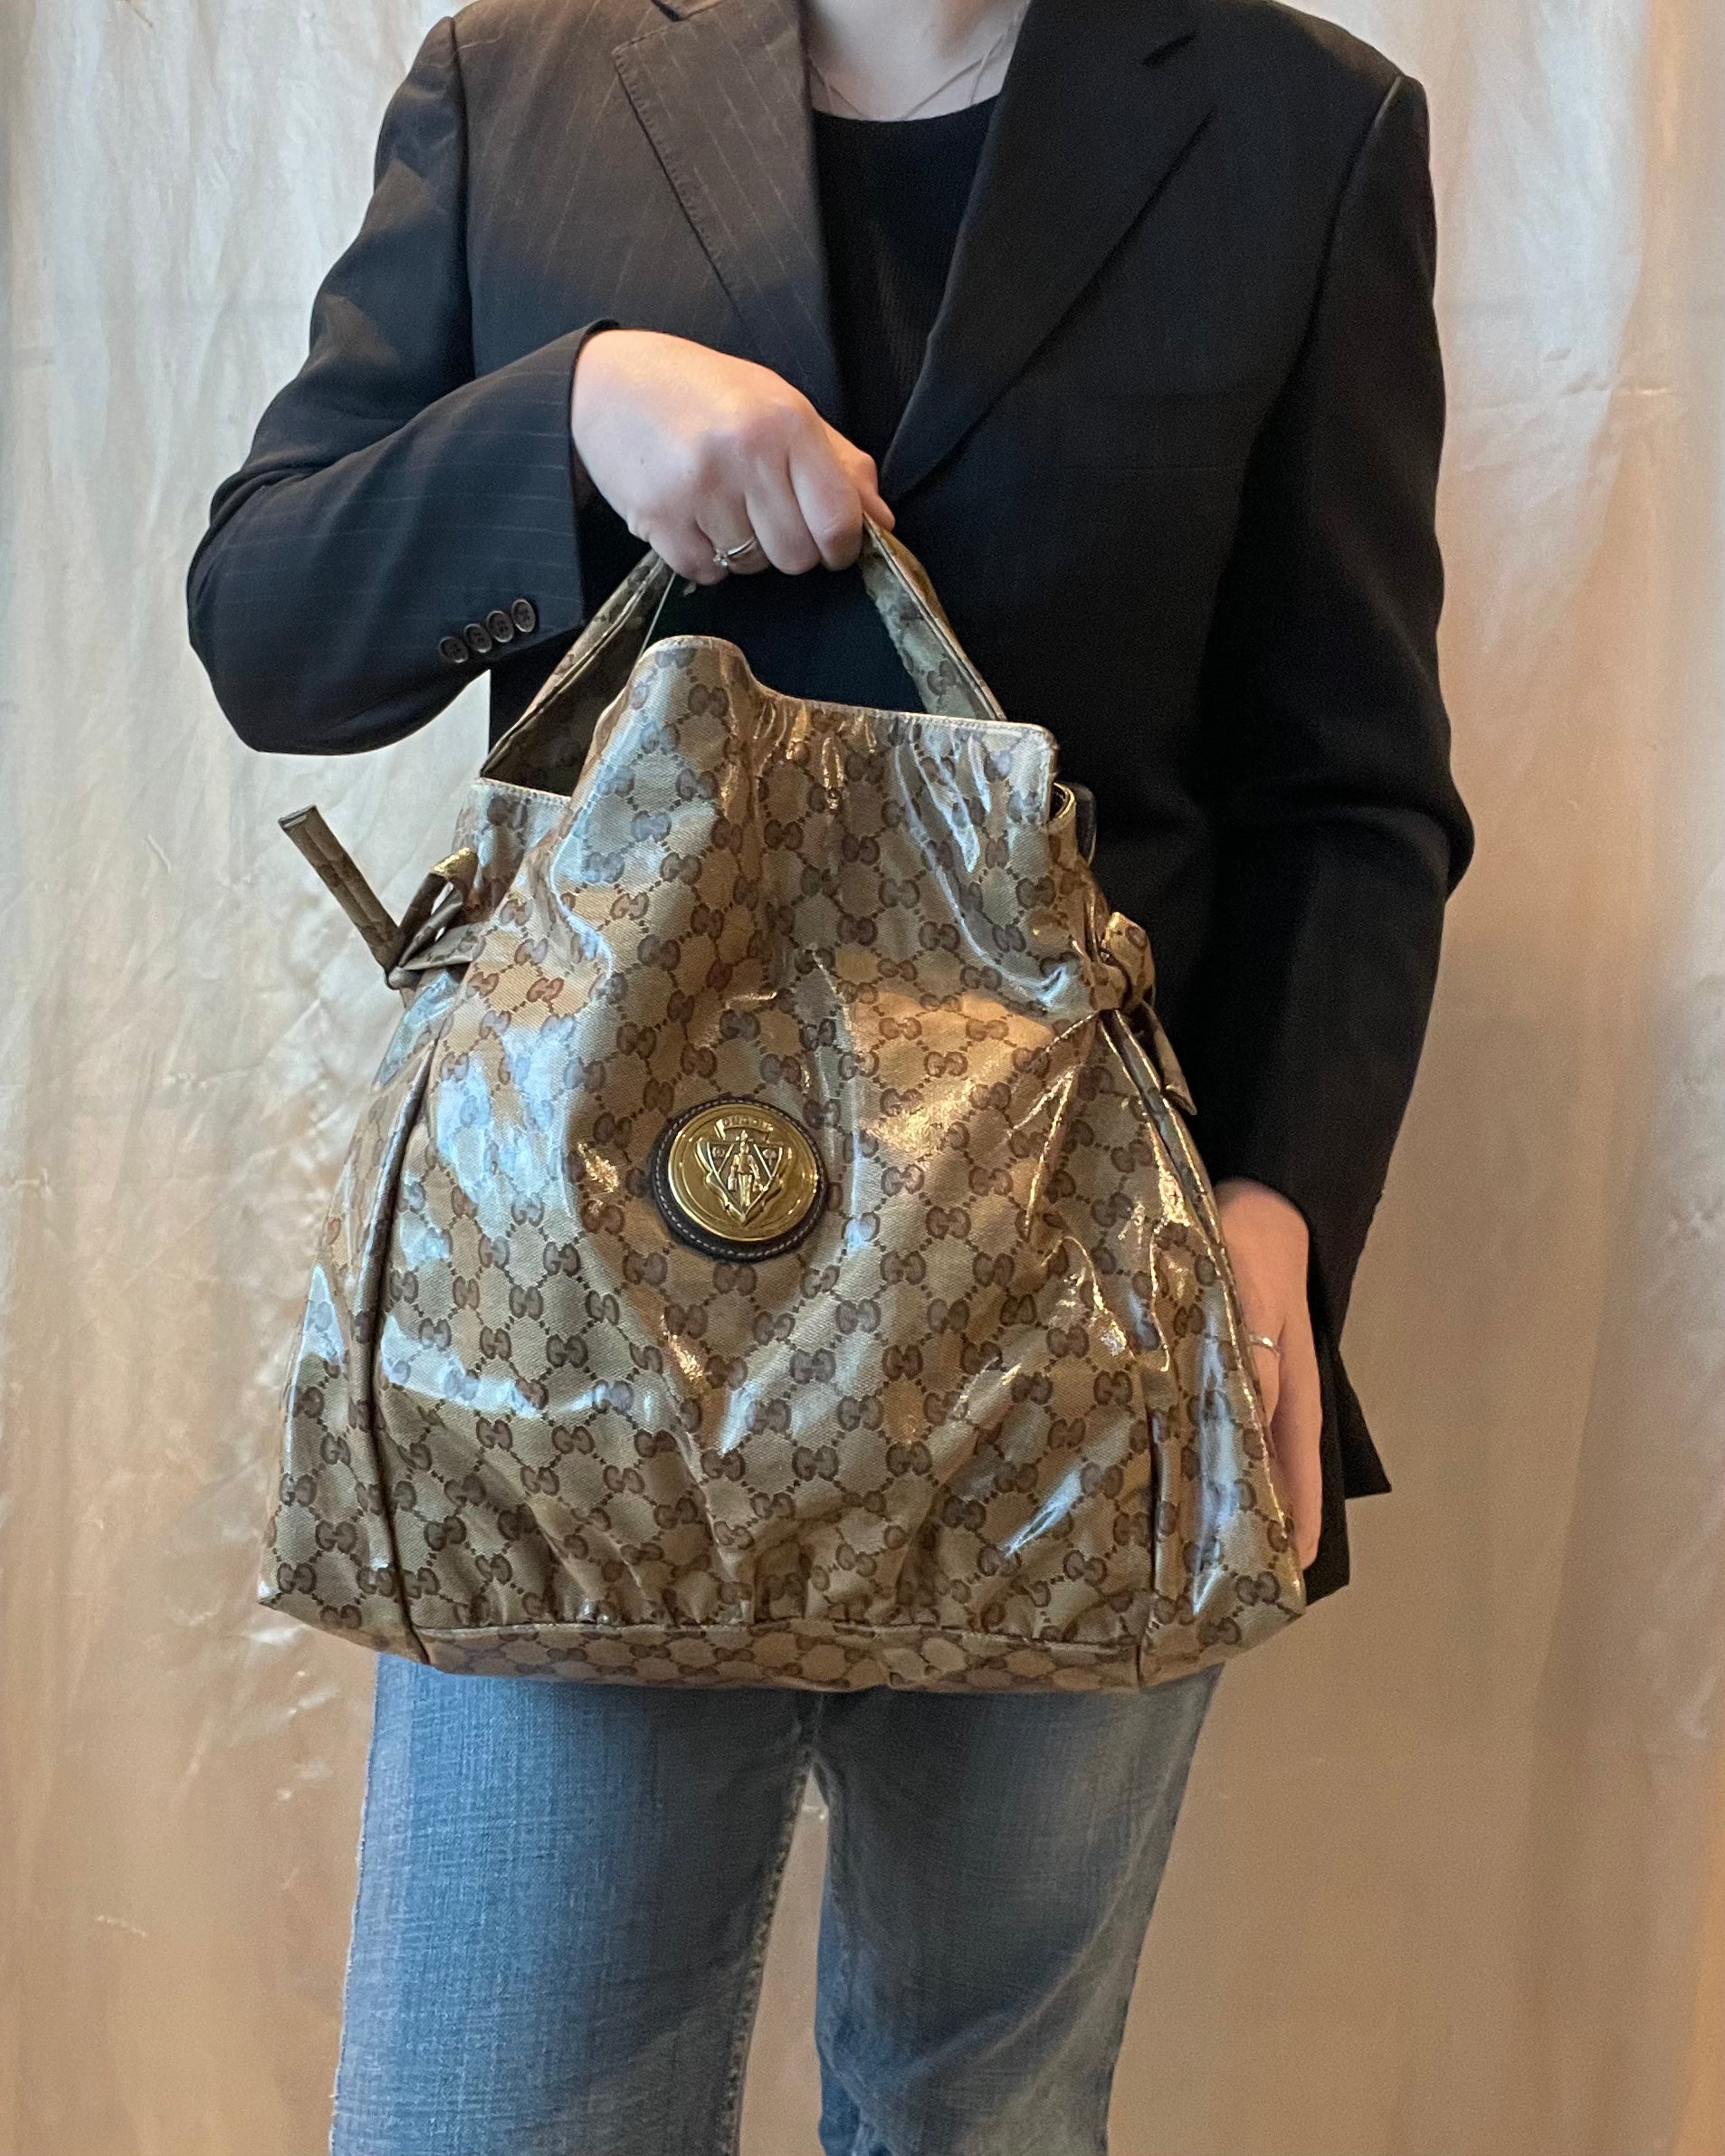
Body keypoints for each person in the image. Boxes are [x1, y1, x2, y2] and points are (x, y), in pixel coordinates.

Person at [186, 0, 1474, 2148]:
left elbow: (1347, 786)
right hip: (580, 1340)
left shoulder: (1296, 126)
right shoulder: (525, 84)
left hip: (1078, 1327)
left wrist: (1279, 1202)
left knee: (986, 2116)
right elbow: (268, 623)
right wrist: (574, 414)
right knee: (491, 2111)